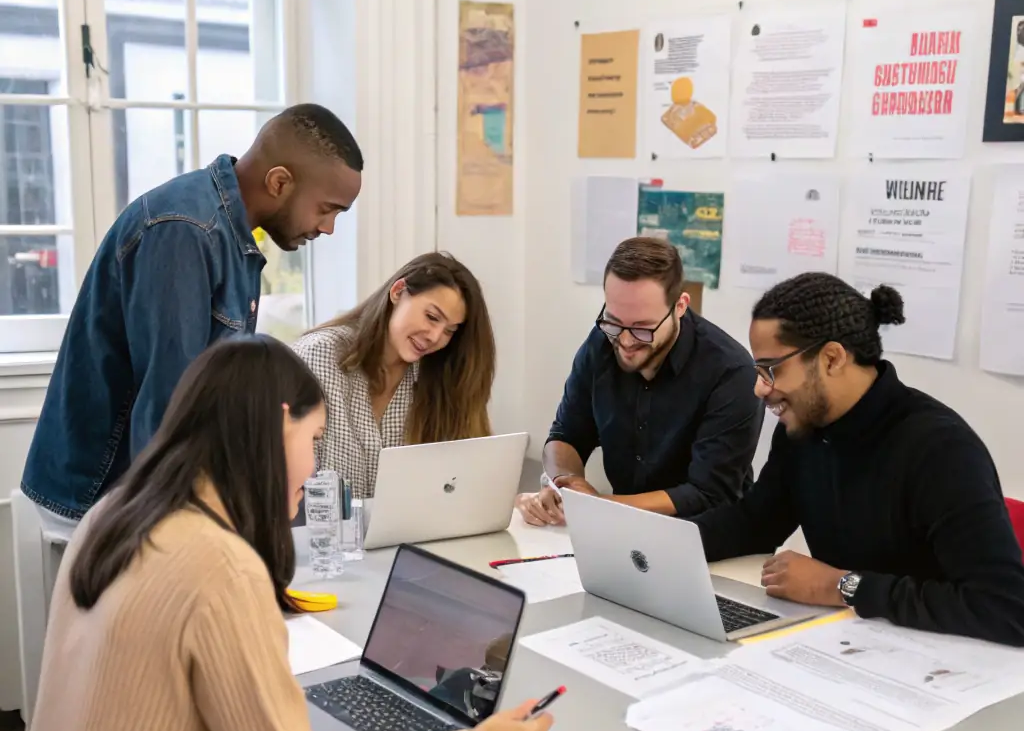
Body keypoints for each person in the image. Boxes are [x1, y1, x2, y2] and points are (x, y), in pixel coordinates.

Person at [0, 336, 553, 731]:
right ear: (277, 422)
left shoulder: (114, 515)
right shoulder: (217, 564)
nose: (315, 466)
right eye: (314, 442)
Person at [21, 105, 363, 532]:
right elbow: (168, 406)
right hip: (102, 496)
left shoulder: (229, 235)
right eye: (327, 210)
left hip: (140, 488)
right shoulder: (184, 230)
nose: (328, 228)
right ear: (279, 182)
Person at [694, 272, 1024, 645]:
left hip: (939, 661)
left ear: (832, 358)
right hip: (846, 644)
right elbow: (753, 523)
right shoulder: (804, 430)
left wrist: (842, 586)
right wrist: (658, 546)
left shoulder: (940, 450)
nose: (760, 388)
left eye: (772, 369)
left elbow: (1006, 607)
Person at [518, 237, 763, 526]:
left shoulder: (730, 371)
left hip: (709, 537)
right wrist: (564, 484)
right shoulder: (601, 345)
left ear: (680, 306)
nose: (624, 340)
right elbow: (566, 434)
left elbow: (708, 492)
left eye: (642, 328)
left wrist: (597, 505)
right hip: (624, 528)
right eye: (614, 321)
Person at [293, 251, 495, 498]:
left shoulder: (438, 379)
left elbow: (470, 483)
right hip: (320, 535)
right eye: (432, 317)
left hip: (414, 536)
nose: (434, 337)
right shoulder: (318, 357)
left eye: (449, 331)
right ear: (398, 291)